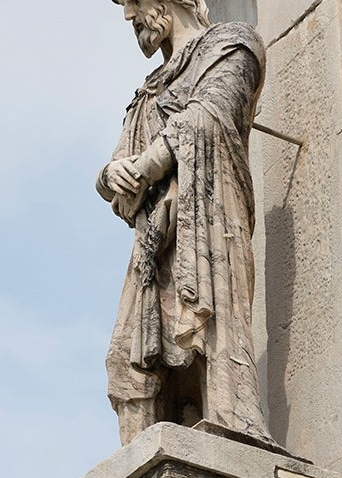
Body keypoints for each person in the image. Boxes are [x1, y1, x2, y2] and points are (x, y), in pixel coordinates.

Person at [98, 0, 272, 445]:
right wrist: (110, 175)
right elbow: (119, 170)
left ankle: (229, 436)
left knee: (211, 337)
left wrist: (147, 166)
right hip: (154, 242)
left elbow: (210, 113)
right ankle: (143, 463)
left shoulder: (232, 45)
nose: (128, 16)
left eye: (134, 1)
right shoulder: (148, 91)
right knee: (127, 359)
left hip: (210, 227)